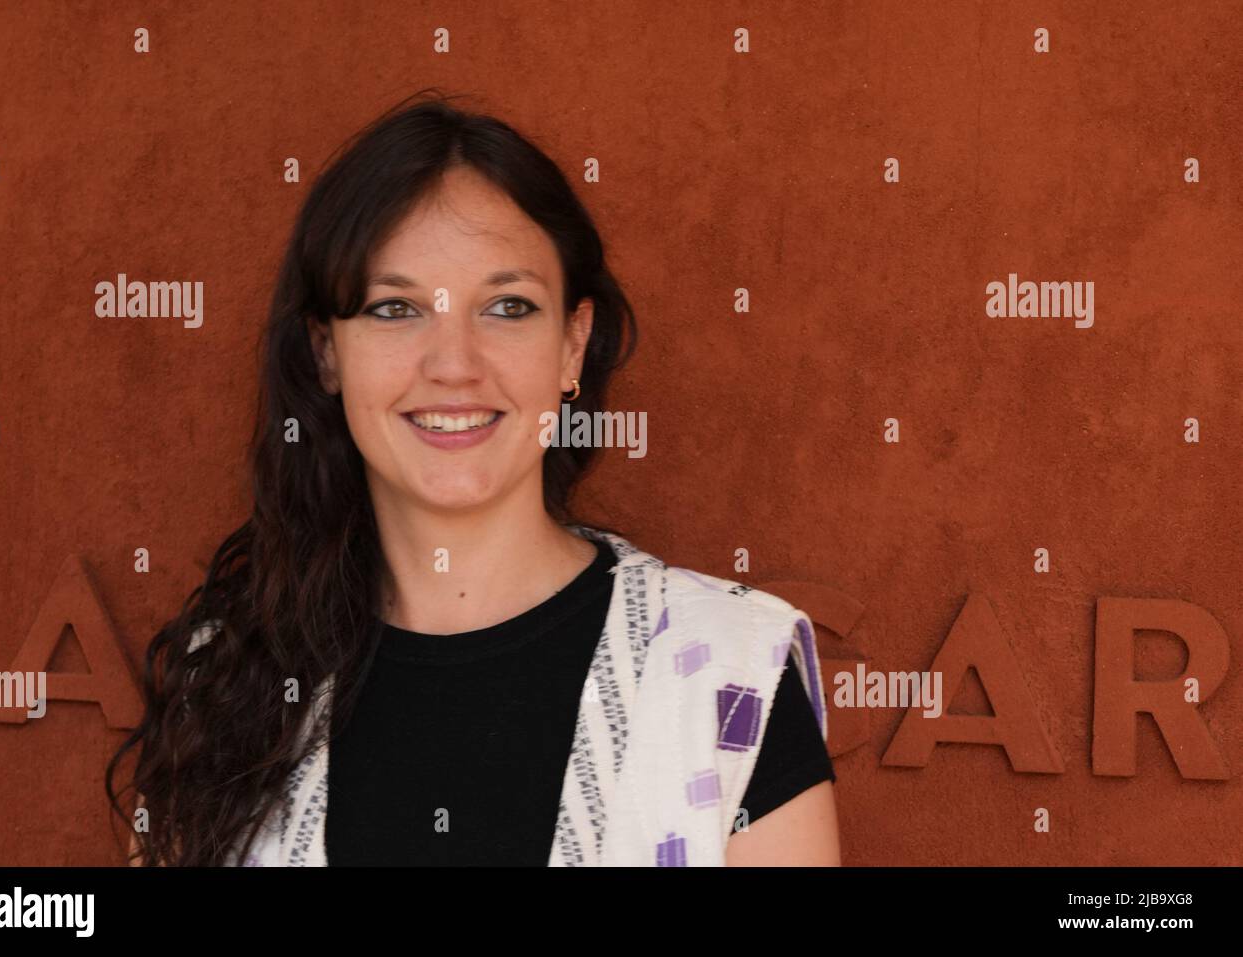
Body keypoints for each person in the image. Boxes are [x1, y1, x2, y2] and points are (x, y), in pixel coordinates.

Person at [108, 89, 840, 867]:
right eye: (396, 309)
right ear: (326, 351)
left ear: (572, 344)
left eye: (508, 307)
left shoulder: (726, 679)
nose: (453, 364)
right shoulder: (224, 677)